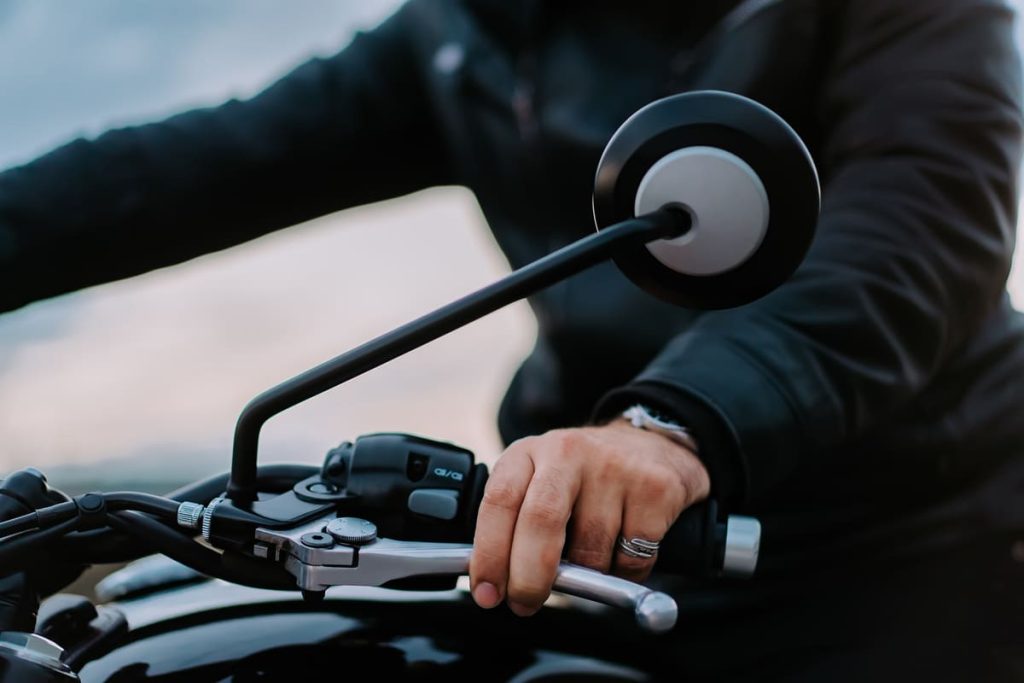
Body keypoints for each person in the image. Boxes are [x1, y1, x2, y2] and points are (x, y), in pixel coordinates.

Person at [1, 0, 1022, 679]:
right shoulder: (467, 28)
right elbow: (185, 167)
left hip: (912, 531)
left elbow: (922, 216)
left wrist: (667, 425)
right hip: (611, 555)